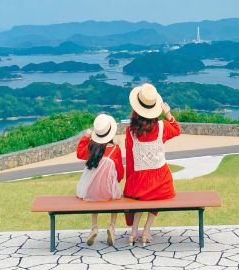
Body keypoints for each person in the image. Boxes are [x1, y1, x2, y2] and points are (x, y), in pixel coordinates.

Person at [123, 83, 180, 245]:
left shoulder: (130, 132)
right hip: (162, 183)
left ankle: (134, 231)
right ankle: (147, 230)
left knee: (142, 197)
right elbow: (177, 130)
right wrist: (168, 114)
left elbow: (131, 160)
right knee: (155, 194)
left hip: (139, 180)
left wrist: (130, 182)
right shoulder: (163, 127)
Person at [75, 113, 124, 246]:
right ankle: (112, 227)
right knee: (115, 196)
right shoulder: (115, 150)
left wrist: (86, 137)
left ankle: (94, 227)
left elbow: (79, 153)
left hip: (89, 191)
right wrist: (115, 182)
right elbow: (120, 173)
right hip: (108, 192)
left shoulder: (92, 148)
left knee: (94, 192)